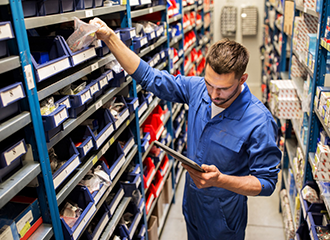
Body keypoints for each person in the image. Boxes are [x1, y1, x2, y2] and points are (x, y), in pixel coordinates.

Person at [90, 17, 281, 240]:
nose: (213, 95)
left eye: (223, 89)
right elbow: (150, 77)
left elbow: (266, 182)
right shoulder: (197, 88)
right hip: (192, 203)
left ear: (242, 80)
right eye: (209, 84)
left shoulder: (259, 121)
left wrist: (221, 180)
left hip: (223, 217)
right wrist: (110, 37)